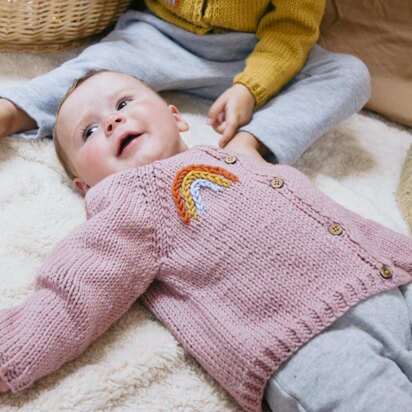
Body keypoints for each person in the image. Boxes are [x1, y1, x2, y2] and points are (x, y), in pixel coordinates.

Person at [0, 70, 411, 412]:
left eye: (123, 104)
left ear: (176, 117)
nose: (111, 122)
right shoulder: (132, 198)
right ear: (84, 186)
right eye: (87, 132)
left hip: (390, 280)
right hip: (307, 342)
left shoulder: (238, 156)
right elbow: (77, 292)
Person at [0, 1, 370, 166]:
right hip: (157, 37)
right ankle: (13, 110)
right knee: (96, 71)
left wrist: (250, 87)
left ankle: (251, 144)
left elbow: (292, 33)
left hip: (250, 51)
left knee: (348, 74)